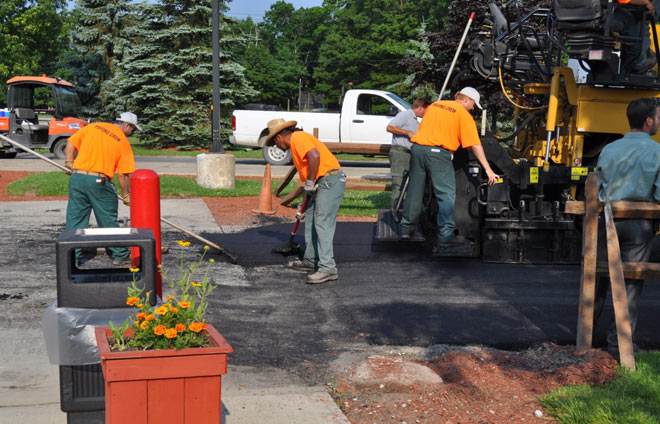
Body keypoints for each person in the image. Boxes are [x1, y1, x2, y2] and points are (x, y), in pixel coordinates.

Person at [593, 97, 660, 359]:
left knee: (597, 280)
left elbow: (597, 188)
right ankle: (619, 346)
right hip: (639, 225)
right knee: (630, 285)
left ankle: (585, 339)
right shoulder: (656, 152)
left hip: (606, 221)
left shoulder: (610, 149)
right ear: (648, 121)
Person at [399, 87, 499, 250]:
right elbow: (475, 144)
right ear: (466, 100)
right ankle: (446, 236)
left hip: (417, 149)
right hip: (437, 153)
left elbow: (433, 128)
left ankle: (406, 229)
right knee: (445, 194)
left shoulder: (435, 105)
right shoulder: (463, 114)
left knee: (415, 190)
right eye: (473, 104)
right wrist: (487, 169)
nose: (473, 108)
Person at [259, 118, 346, 284]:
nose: (277, 147)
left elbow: (315, 155)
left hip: (330, 180)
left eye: (275, 144)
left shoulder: (298, 137)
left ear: (279, 137)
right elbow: (309, 172)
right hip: (322, 181)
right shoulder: (296, 143)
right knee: (312, 220)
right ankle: (311, 260)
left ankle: (328, 268)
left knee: (322, 223)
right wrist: (306, 198)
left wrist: (310, 182)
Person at [64, 112, 139, 265]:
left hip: (77, 178)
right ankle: (120, 254)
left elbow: (71, 142)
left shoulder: (92, 127)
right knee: (107, 218)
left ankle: (72, 257)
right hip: (99, 180)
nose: (132, 133)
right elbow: (123, 175)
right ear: (126, 125)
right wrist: (126, 195)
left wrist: (69, 161)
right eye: (133, 129)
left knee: (75, 218)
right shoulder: (122, 141)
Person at [386, 98, 429, 212]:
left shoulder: (415, 120)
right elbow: (390, 127)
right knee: (399, 182)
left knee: (407, 183)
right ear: (420, 108)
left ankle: (403, 208)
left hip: (409, 154)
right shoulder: (405, 114)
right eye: (425, 110)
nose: (426, 113)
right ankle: (395, 209)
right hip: (401, 152)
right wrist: (407, 132)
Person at [615, 0, 660, 73]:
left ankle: (636, 59)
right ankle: (640, 61)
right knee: (632, 19)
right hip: (607, 13)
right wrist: (646, 3)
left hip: (596, 12)